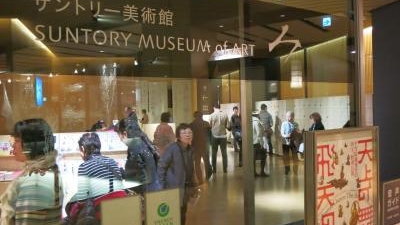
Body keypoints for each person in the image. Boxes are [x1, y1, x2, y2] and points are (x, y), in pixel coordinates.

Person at [0, 118, 63, 225]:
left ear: (31, 145)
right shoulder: (46, 171)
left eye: (17, 141)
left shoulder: (35, 182)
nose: (13, 145)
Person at [158, 123, 197, 225]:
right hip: (173, 187)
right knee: (174, 214)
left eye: (189, 132)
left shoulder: (190, 149)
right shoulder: (173, 148)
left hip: (185, 187)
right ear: (178, 136)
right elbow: (161, 166)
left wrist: (194, 186)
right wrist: (162, 187)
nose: (187, 135)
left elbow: (191, 169)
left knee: (183, 212)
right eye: (184, 133)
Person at [69, 132, 123, 202]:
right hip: (119, 204)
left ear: (82, 148)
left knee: (72, 202)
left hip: (100, 208)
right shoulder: (112, 161)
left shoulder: (84, 166)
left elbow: (81, 199)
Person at [115, 117, 161, 193]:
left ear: (125, 133)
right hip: (154, 190)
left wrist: (118, 171)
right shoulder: (144, 143)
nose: (120, 139)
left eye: (119, 135)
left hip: (146, 194)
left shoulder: (134, 147)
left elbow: (132, 177)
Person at [190, 111, 213, 184]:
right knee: (206, 161)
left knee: (197, 163)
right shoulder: (206, 124)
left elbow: (190, 137)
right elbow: (210, 135)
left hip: (195, 146)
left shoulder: (191, 125)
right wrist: (210, 143)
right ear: (202, 116)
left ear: (194, 116)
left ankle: (200, 179)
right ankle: (208, 176)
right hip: (205, 145)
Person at [209, 103, 229, 173]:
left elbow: (210, 126)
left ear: (213, 107)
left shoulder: (211, 115)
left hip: (214, 135)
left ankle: (214, 168)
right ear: (220, 107)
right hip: (223, 135)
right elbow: (228, 125)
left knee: (214, 152)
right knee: (224, 152)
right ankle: (225, 168)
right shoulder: (225, 115)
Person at [280, 111, 300, 176]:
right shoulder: (284, 124)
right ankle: (287, 169)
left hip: (293, 143)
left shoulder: (296, 124)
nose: (289, 118)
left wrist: (298, 132)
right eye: (288, 116)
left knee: (295, 157)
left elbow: (298, 132)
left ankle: (295, 171)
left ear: (293, 117)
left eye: (290, 116)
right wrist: (287, 135)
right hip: (285, 143)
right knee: (286, 157)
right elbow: (282, 133)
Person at [253, 112, 269, 177]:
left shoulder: (248, 121)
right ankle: (262, 172)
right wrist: (262, 144)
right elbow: (259, 134)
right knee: (263, 156)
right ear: (257, 115)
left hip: (250, 143)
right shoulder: (256, 122)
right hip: (257, 143)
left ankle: (254, 172)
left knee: (252, 159)